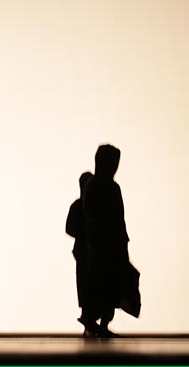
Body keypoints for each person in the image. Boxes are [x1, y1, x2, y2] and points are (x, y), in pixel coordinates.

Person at [80, 144, 140, 338]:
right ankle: (91, 320)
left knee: (113, 285)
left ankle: (103, 323)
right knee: (100, 283)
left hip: (115, 243)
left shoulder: (112, 187)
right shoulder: (95, 186)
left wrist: (122, 240)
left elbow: (119, 217)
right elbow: (94, 216)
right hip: (102, 245)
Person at [66, 171, 95, 336]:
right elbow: (69, 228)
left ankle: (93, 324)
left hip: (93, 251)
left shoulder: (93, 206)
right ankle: (89, 325)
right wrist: (85, 234)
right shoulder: (78, 206)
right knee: (85, 285)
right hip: (84, 252)